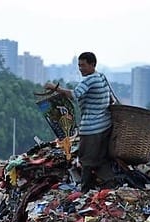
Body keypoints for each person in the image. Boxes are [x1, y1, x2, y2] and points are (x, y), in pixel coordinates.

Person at [44, 52, 112, 192]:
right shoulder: (101, 77)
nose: (80, 68)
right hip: (105, 124)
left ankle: (85, 190)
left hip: (93, 128)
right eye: (79, 65)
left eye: (83, 65)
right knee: (101, 158)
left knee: (86, 160)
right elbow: (110, 99)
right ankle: (109, 185)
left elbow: (75, 94)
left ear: (92, 65)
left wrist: (55, 88)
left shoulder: (90, 80)